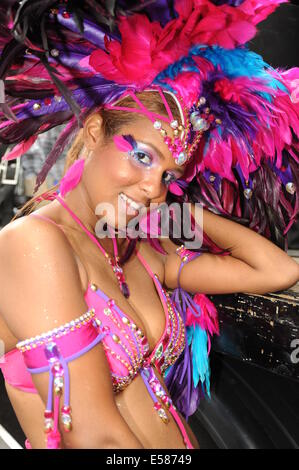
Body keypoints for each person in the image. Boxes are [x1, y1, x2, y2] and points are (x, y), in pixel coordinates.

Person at [0, 0, 298, 450]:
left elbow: (277, 271)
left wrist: (190, 215)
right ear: (96, 130)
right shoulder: (33, 244)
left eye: (169, 176)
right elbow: (92, 436)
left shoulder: (138, 251)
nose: (153, 188)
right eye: (142, 156)